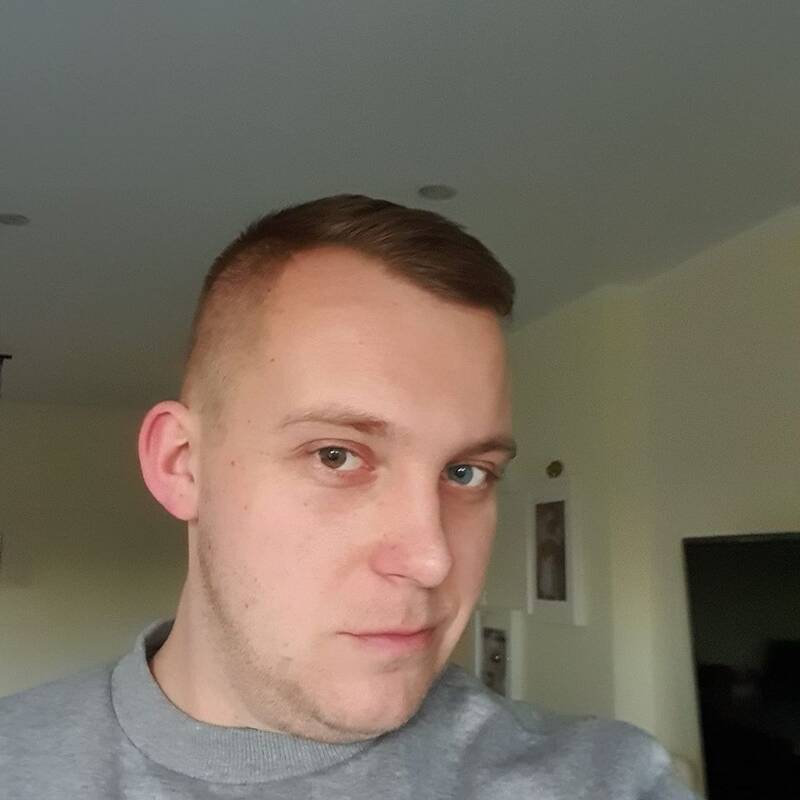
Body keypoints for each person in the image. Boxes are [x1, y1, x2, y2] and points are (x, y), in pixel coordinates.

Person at [0, 195, 695, 798]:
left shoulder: (605, 780)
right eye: (336, 456)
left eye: (466, 473)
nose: (431, 560)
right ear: (181, 465)